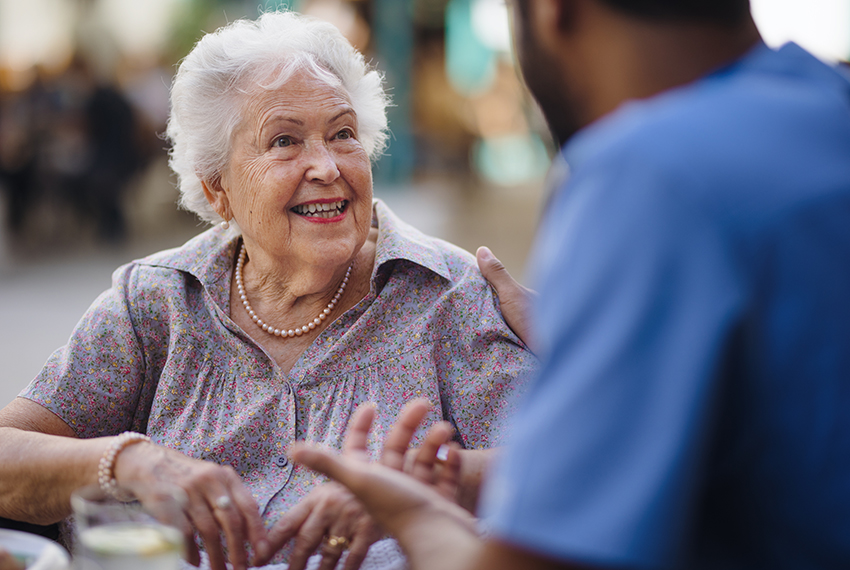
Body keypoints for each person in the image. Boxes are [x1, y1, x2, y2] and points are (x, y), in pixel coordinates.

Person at [289, 0, 850, 569]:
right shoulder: (829, 103)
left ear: (553, 11)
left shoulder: (646, 175)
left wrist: (410, 515)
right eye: (284, 142)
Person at [0, 11, 536, 570]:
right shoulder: (154, 303)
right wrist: (126, 461)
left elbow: (570, 471)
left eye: (343, 133)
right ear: (219, 190)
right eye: (285, 140)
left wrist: (425, 492)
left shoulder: (449, 298)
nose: (327, 166)